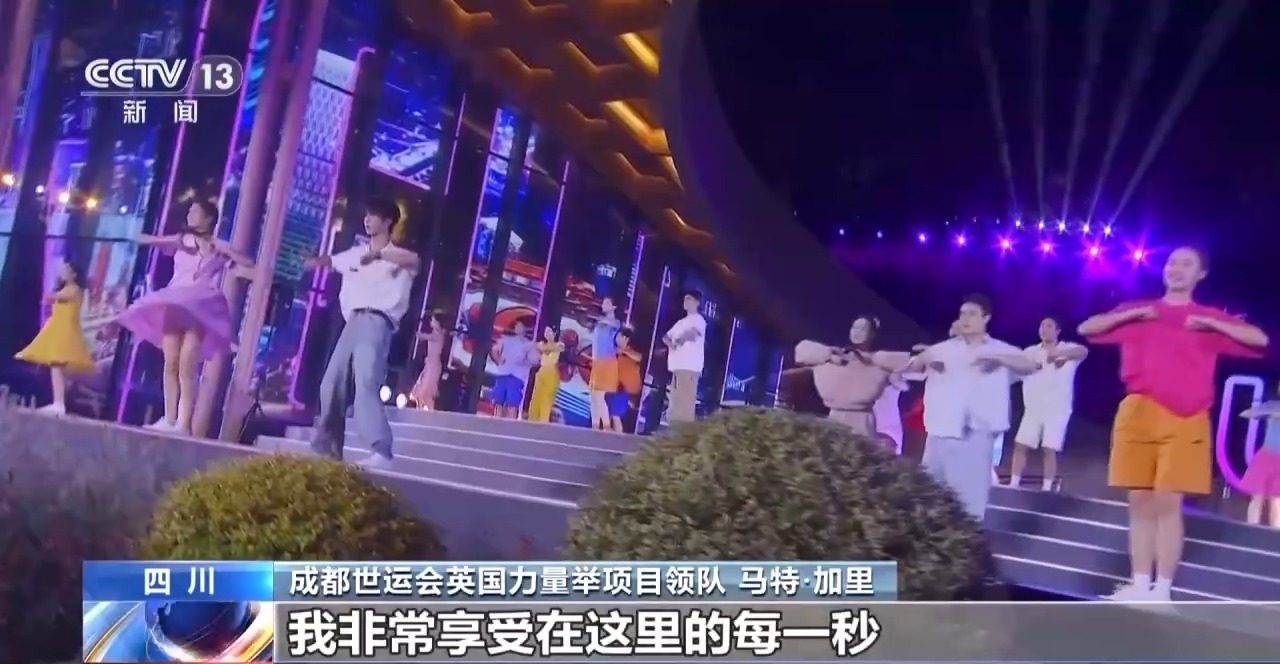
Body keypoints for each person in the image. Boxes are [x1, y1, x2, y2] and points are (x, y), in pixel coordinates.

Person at [1078, 246, 1267, 601]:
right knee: (1140, 500)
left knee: (1168, 502)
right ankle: (1138, 584)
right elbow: (1088, 327)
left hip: (1185, 417)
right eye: (1172, 263)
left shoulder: (1207, 318)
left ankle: (1161, 590)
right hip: (1137, 411)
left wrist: (1212, 323)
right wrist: (1135, 314)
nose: (1176, 269)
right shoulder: (1139, 309)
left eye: (1186, 264)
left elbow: (1260, 340)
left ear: (1201, 274)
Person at [119, 201, 253, 434]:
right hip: (174, 302)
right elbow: (147, 239)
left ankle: (183, 423)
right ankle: (169, 418)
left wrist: (225, 248)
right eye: (190, 211)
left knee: (186, 364)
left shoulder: (216, 247)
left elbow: (248, 263)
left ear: (209, 218)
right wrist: (161, 240)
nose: (190, 214)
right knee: (170, 361)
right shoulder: (182, 239)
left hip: (199, 306)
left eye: (196, 211)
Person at [305, 199, 420, 470]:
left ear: (388, 221)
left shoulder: (399, 256)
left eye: (373, 216)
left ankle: (381, 450)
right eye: (366, 215)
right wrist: (313, 261)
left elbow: (415, 261)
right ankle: (328, 449)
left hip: (377, 321)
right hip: (353, 321)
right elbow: (331, 261)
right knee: (330, 383)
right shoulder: (355, 253)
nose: (367, 220)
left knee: (367, 380)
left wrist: (379, 256)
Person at [910, 295, 1037, 519]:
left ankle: (967, 538)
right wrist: (922, 360)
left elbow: (1030, 365)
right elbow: (913, 366)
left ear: (986, 318)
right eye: (963, 314)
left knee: (969, 501)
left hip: (975, 434)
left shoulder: (999, 349)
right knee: (928, 497)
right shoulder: (943, 349)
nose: (966, 319)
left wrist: (999, 360)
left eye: (972, 314)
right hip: (939, 431)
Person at [794, 315, 913, 437]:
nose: (857, 332)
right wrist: (829, 353)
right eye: (855, 327)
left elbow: (908, 372)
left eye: (862, 328)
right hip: (835, 419)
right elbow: (801, 351)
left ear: (872, 334)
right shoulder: (835, 357)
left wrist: (877, 360)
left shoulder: (880, 362)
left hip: (862, 422)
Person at [1009, 316, 1089, 490]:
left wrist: (1059, 355)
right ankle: (1013, 483)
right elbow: (1016, 370)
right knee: (1021, 445)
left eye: (1049, 326)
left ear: (1058, 331)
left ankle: (1046, 487)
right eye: (1042, 325)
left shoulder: (1067, 349)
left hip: (1057, 410)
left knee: (1049, 448)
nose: (1044, 329)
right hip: (1033, 408)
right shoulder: (1031, 352)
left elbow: (1083, 351)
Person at [15, 257, 96, 414]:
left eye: (65, 270)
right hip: (59, 327)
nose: (62, 273)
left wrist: (49, 291)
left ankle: (59, 403)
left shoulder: (74, 289)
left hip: (64, 329)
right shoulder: (68, 288)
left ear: (74, 274)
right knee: (56, 366)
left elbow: (50, 297)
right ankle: (58, 402)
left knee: (57, 365)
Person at [663, 289, 707, 423]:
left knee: (685, 401)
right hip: (677, 366)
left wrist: (679, 340)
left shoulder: (699, 320)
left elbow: (692, 335)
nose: (685, 302)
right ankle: (674, 427)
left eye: (689, 299)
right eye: (685, 299)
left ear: (697, 302)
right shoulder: (680, 322)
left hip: (689, 367)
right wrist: (671, 344)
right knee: (676, 399)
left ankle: (683, 429)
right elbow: (666, 337)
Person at [1239, 393, 1280, 527]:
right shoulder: (1272, 405)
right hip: (1266, 456)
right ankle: (1251, 529)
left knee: (1276, 501)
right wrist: (1267, 413)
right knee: (1257, 496)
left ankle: (1275, 534)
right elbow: (1245, 414)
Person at [588, 296, 622, 429]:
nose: (603, 305)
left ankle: (606, 427)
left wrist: (597, 318)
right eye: (603, 303)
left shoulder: (615, 322)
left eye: (607, 303)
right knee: (593, 395)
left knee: (599, 395)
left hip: (607, 362)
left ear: (614, 307)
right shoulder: (599, 323)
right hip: (597, 361)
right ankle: (595, 425)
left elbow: (613, 325)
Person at [490, 320, 536, 419]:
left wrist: (524, 361)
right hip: (503, 373)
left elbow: (535, 360)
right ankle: (496, 421)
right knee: (498, 400)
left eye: (521, 326)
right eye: (517, 326)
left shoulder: (529, 344)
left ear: (525, 328)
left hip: (517, 376)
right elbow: (494, 350)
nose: (518, 328)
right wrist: (499, 360)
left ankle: (510, 424)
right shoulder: (505, 339)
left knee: (513, 403)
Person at [607, 325, 643, 432]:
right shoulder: (613, 351)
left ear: (625, 338)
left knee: (616, 415)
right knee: (609, 414)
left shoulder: (630, 352)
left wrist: (623, 351)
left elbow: (639, 357)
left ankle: (618, 436)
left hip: (623, 388)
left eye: (619, 336)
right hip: (613, 386)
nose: (616, 338)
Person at [409, 312, 448, 410]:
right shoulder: (436, 333)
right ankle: (420, 407)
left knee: (426, 390)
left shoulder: (438, 335)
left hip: (433, 366)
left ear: (438, 322)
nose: (431, 322)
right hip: (430, 364)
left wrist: (414, 330)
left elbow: (423, 336)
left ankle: (427, 410)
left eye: (433, 320)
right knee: (422, 386)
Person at [527, 325, 564, 423]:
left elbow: (560, 348)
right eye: (546, 332)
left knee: (547, 399)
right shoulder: (542, 344)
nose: (547, 334)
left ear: (554, 333)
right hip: (541, 373)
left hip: (551, 373)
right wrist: (547, 348)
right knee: (536, 398)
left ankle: (544, 421)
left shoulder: (559, 344)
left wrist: (547, 348)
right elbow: (538, 347)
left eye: (549, 331)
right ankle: (532, 420)